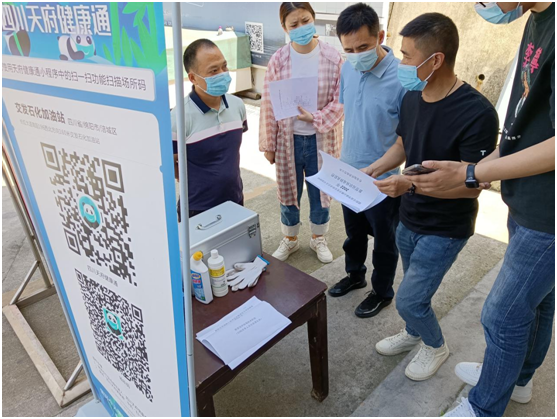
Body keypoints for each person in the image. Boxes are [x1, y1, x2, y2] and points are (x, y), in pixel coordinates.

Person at [420, 3, 553, 417]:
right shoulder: (538, 19)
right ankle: (515, 377)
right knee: (537, 300)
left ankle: (483, 408)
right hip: (527, 195)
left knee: (503, 314)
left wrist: (474, 171)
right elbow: (524, 126)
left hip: (548, 212)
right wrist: (478, 169)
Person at [367, 13, 499, 381]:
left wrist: (408, 185)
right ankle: (413, 331)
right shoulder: (412, 96)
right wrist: (374, 168)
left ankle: (435, 345)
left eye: (407, 55)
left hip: (446, 227)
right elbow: (402, 144)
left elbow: (474, 182)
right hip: (409, 218)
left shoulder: (477, 113)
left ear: (435, 59)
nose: (400, 62)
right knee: (415, 291)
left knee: (410, 299)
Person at [326, 3, 406, 319]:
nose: (355, 55)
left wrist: (382, 170)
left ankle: (382, 292)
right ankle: (355, 275)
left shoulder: (402, 78)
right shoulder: (348, 68)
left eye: (362, 47)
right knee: (354, 234)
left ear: (380, 37)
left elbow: (406, 140)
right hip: (348, 172)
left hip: (383, 180)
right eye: (348, 49)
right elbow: (351, 113)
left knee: (385, 241)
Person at [259, 2, 344, 263]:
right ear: (284, 27)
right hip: (289, 140)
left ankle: (318, 237)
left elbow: (341, 101)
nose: (301, 27)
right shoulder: (279, 60)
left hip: (322, 139)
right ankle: (291, 238)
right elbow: (268, 102)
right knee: (288, 192)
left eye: (305, 21)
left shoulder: (333, 57)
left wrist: (315, 117)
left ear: (313, 18)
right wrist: (269, 144)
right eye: (294, 24)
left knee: (321, 193)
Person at [171, 39, 247, 220]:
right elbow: (170, 161)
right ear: (193, 78)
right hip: (197, 210)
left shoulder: (237, 105)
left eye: (224, 66)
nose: (223, 74)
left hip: (235, 202)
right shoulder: (179, 117)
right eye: (213, 71)